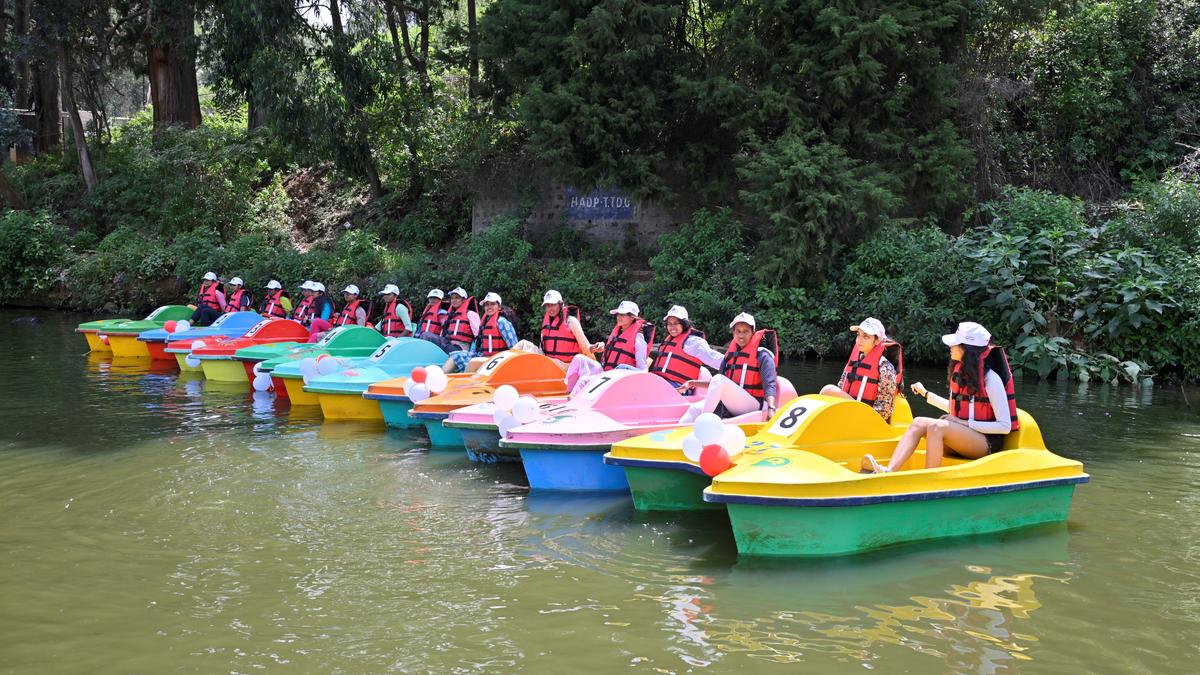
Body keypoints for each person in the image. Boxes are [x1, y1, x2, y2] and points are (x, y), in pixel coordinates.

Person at [862, 322, 1019, 473]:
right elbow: (957, 408)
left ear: (968, 349)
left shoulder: (991, 379)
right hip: (966, 436)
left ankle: (930, 479)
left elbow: (1004, 426)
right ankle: (889, 471)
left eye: (955, 344)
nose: (950, 347)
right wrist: (926, 394)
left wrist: (963, 422)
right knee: (919, 422)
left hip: (986, 444)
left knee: (937, 427)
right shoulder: (962, 373)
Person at [679, 312, 779, 422]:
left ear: (753, 333)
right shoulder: (730, 356)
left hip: (753, 404)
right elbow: (717, 387)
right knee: (694, 408)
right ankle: (677, 434)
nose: (741, 335)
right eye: (738, 331)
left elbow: (770, 385)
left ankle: (704, 422)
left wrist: (771, 408)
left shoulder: (763, 356)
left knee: (718, 379)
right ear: (733, 333)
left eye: (746, 331)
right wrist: (692, 383)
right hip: (734, 404)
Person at [819, 317, 902, 422]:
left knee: (828, 389)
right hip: (847, 415)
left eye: (866, 336)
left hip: (868, 420)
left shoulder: (886, 367)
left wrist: (861, 418)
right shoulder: (853, 362)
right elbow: (841, 386)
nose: (859, 340)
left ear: (877, 341)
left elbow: (884, 410)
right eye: (858, 335)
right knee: (827, 392)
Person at [444, 292, 519, 373]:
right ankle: (443, 379)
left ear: (499, 307)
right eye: (487, 305)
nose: (489, 307)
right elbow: (478, 343)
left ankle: (465, 383)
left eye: (492, 304)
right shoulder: (485, 321)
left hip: (496, 359)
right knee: (455, 355)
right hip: (482, 355)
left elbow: (514, 346)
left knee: (473, 362)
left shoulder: (502, 322)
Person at [650, 305, 723, 386]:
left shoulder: (693, 342)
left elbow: (713, 358)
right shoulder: (669, 340)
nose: (672, 327)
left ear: (684, 324)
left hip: (679, 386)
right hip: (661, 381)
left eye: (676, 323)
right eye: (669, 323)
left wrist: (732, 368)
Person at [592, 300, 653, 371]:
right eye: (618, 314)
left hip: (623, 377)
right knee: (580, 359)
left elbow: (642, 368)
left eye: (622, 315)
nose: (618, 317)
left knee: (622, 367)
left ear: (632, 317)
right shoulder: (617, 333)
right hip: (607, 373)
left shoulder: (638, 339)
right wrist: (602, 346)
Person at [539, 289, 592, 368]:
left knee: (550, 361)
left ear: (560, 305)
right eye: (548, 306)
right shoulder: (546, 324)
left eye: (553, 305)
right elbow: (541, 348)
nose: (550, 309)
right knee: (523, 344)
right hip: (549, 363)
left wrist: (595, 348)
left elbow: (585, 347)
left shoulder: (571, 321)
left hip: (567, 366)